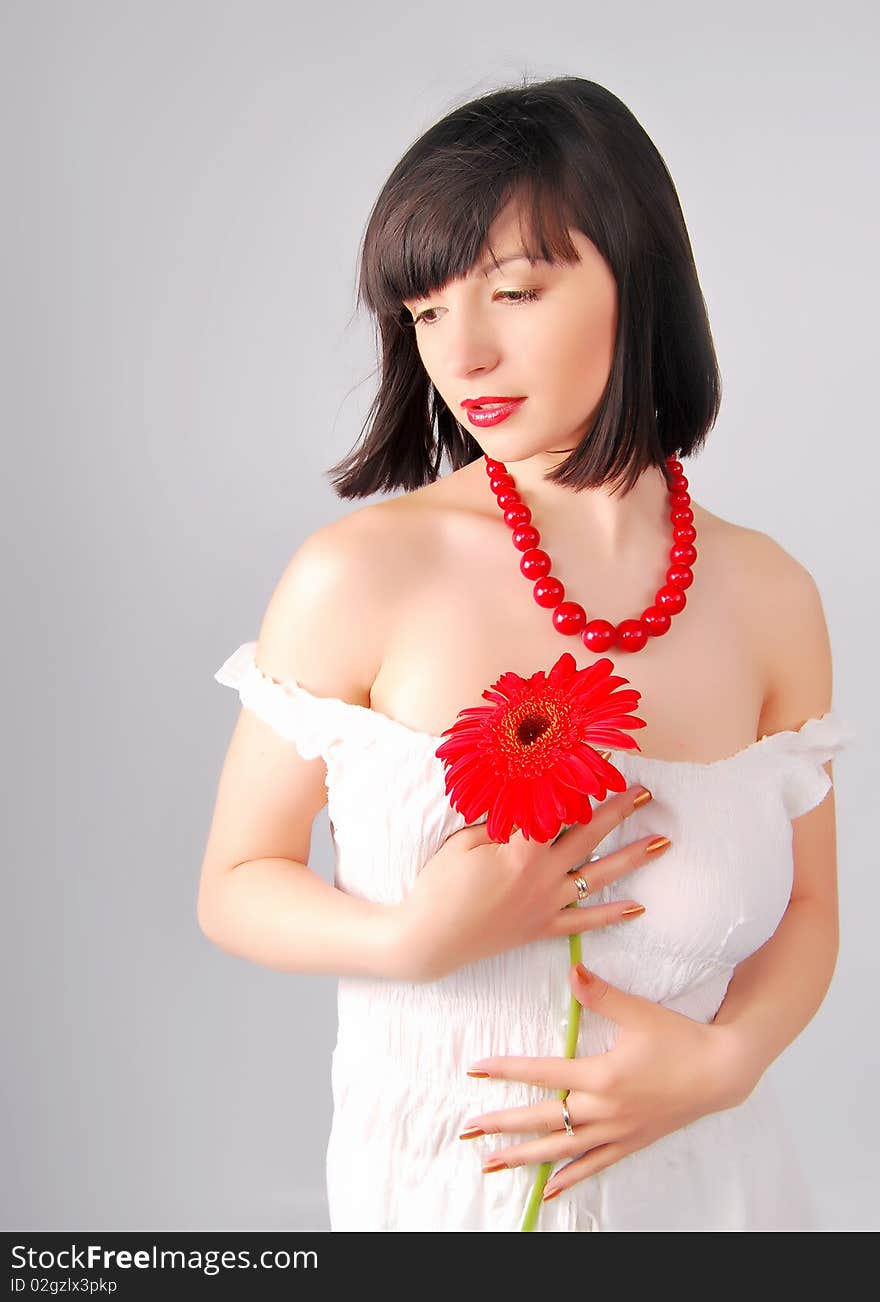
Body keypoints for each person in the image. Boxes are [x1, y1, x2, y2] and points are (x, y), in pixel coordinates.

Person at [198, 76, 854, 1232]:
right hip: (443, 1202)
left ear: (638, 282)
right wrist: (409, 938)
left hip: (720, 1196)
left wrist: (727, 1062)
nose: (466, 352)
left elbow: (808, 908)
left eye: (512, 291)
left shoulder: (772, 596)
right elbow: (236, 883)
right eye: (425, 313)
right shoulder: (361, 574)